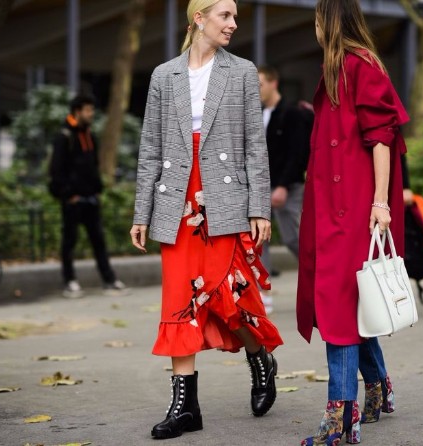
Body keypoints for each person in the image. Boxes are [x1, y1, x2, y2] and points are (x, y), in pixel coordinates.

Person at [129, 0, 283, 440]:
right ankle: (185, 406)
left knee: (226, 295)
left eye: (235, 17)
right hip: (175, 201)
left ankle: (260, 357)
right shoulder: (164, 75)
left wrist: (258, 208)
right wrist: (143, 212)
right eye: (225, 16)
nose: (234, 24)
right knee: (180, 297)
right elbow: (150, 150)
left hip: (226, 198)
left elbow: (256, 145)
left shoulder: (241, 73)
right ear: (199, 18)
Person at [297, 1, 409, 444]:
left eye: (317, 19)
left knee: (340, 308)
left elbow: (382, 138)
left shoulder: (360, 67)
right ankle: (379, 387)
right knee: (346, 305)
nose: (314, 27)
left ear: (329, 21)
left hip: (356, 210)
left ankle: (341, 420)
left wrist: (380, 203)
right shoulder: (335, 71)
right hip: (330, 209)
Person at [48, 95, 126, 297]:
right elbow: (56, 170)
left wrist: (97, 190)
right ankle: (70, 281)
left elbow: (93, 166)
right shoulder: (64, 136)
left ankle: (109, 280)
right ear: (77, 111)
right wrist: (67, 194)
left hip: (91, 198)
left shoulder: (90, 136)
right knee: (69, 242)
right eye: (88, 110)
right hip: (73, 200)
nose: (91, 114)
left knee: (99, 241)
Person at [257, 65, 312, 313]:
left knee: (294, 239)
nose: (256, 90)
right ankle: (262, 294)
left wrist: (282, 186)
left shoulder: (293, 113)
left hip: (287, 187)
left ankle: (321, 281)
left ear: (273, 83)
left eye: (260, 84)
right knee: (259, 241)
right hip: (259, 186)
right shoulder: (255, 114)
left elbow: (298, 153)